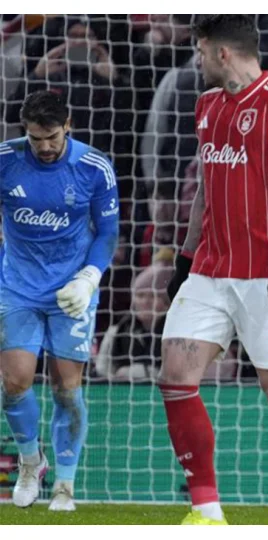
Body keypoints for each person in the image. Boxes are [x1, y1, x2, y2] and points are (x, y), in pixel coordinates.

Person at [160, 15, 268, 526]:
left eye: (200, 51)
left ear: (221, 52)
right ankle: (207, 512)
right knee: (175, 377)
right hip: (210, 269)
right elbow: (206, 189)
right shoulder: (206, 105)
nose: (197, 60)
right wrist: (186, 257)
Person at [0, 89, 120, 511]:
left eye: (52, 137)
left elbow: (107, 232)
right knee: (14, 383)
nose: (45, 147)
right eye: (36, 139)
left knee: (66, 388)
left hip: (72, 291)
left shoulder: (93, 167)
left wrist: (89, 278)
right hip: (17, 287)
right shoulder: (5, 160)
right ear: (25, 131)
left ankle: (65, 485)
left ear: (68, 126)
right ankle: (31, 463)